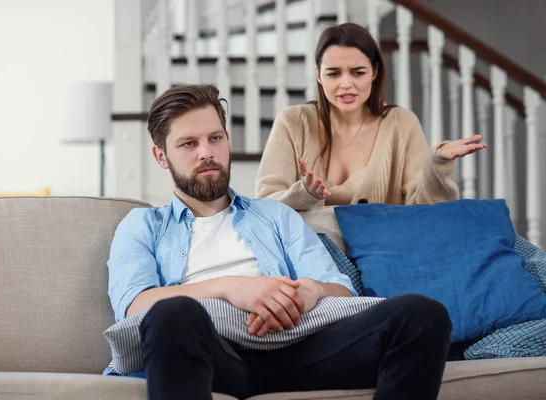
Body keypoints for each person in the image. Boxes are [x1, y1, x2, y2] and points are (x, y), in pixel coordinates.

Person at [106, 84, 452, 400]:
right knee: (171, 315)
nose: (206, 153)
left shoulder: (274, 215)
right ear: (161, 156)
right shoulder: (142, 224)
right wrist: (232, 288)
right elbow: (135, 306)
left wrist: (310, 291)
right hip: (214, 355)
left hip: (301, 350)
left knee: (422, 314)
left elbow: (341, 290)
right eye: (188, 144)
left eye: (215, 138)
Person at [256, 23, 486, 210]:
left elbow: (424, 209)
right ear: (318, 75)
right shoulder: (293, 121)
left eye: (358, 72)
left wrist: (437, 165)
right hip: (310, 255)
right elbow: (265, 204)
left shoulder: (401, 123)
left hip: (383, 255)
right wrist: (302, 195)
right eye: (333, 73)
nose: (346, 84)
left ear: (374, 72)